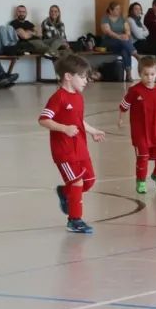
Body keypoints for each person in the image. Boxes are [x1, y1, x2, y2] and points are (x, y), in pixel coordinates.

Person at [38, 54, 106, 233]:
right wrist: (63, 128)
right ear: (68, 76)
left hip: (81, 147)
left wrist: (92, 131)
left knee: (89, 182)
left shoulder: (78, 97)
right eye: (82, 77)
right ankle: (74, 220)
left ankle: (64, 192)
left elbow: (78, 120)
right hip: (65, 151)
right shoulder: (58, 98)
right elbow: (44, 120)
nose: (86, 81)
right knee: (76, 183)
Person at [118, 56, 156, 193]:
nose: (149, 77)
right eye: (146, 74)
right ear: (139, 74)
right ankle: (141, 181)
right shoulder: (134, 91)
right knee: (143, 157)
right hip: (140, 132)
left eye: (152, 74)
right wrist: (121, 118)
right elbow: (124, 105)